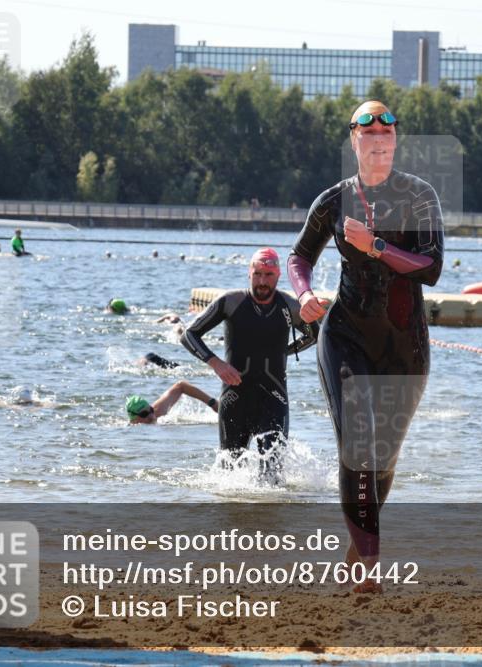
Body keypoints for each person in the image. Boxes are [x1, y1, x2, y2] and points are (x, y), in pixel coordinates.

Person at [287, 99, 443, 589]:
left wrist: (375, 245)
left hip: (406, 343)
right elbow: (299, 257)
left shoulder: (420, 197)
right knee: (357, 440)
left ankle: (359, 551)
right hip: (346, 334)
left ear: (395, 141)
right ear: (353, 140)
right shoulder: (333, 200)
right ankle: (370, 569)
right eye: (367, 129)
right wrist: (306, 293)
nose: (378, 135)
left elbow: (431, 268)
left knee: (384, 456)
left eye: (387, 128)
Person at [181, 247, 318, 482]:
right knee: (229, 476)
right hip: (235, 399)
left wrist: (284, 352)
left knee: (272, 476)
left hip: (274, 397)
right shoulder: (230, 302)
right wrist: (216, 364)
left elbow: (315, 335)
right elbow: (189, 335)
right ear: (249, 273)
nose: (262, 281)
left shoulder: (290, 307)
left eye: (268, 275)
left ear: (278, 276)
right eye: (258, 274)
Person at [126, 381, 219, 424]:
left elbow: (181, 386)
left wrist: (212, 403)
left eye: (150, 410)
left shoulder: (158, 411)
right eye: (144, 414)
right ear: (133, 420)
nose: (151, 415)